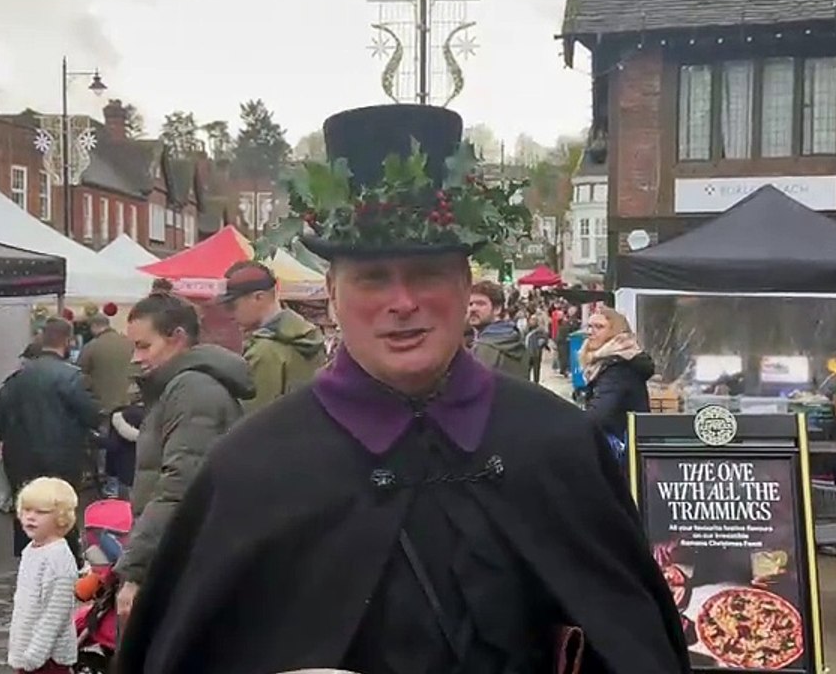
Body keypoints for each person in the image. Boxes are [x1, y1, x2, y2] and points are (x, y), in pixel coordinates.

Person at [116, 103, 689, 673]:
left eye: (426, 274)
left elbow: (637, 645)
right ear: (332, 294)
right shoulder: (253, 469)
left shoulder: (558, 445)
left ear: (464, 285)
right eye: (373, 279)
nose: (403, 302)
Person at [112, 292, 255, 623]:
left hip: (183, 558)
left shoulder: (192, 390)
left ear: (176, 338)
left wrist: (136, 571)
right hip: (183, 554)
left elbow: (180, 486)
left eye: (144, 346)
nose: (136, 358)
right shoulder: (182, 386)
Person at [0, 318, 101, 564]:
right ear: (68, 341)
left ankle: (28, 562)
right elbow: (93, 415)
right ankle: (66, 564)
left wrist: (7, 439)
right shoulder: (73, 378)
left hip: (20, 458)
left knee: (27, 511)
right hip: (63, 457)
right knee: (60, 512)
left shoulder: (16, 378)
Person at [218, 261, 326, 414]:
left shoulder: (264, 351)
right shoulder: (310, 337)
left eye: (233, 305)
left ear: (258, 298)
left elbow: (252, 418)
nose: (231, 314)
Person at [7, 477, 79, 674]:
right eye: (26, 510)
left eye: (40, 512)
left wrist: (35, 655)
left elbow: (55, 614)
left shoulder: (58, 558)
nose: (30, 517)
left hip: (47, 658)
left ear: (60, 518)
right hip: (26, 651)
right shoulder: (31, 550)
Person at [579, 308, 654, 447]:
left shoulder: (619, 366)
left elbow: (599, 414)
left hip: (623, 446)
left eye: (599, 327)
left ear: (615, 332)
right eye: (589, 326)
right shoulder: (604, 362)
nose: (590, 332)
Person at [468, 280, 529, 378]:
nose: (473, 309)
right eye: (470, 304)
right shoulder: (515, 338)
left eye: (480, 304)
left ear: (497, 309)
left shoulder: (485, 348)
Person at [76, 314, 134, 416]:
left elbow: (79, 375)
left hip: (103, 406)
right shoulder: (129, 343)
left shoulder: (91, 346)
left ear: (94, 326)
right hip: (129, 404)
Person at [525, 314, 550, 384]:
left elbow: (545, 338)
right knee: (527, 370)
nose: (532, 321)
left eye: (534, 320)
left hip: (536, 353)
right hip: (527, 353)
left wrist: (542, 343)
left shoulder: (540, 331)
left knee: (536, 370)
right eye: (531, 320)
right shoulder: (527, 330)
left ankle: (536, 383)